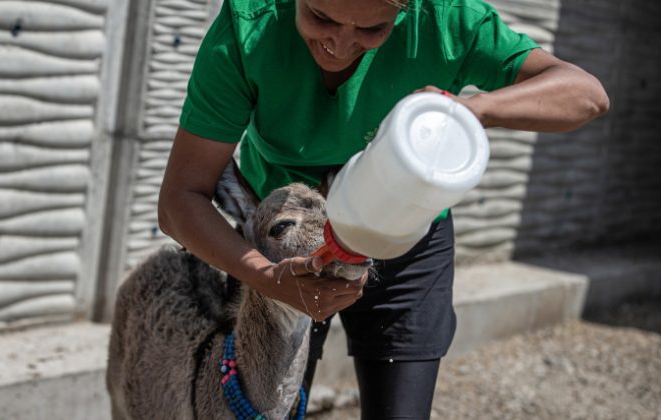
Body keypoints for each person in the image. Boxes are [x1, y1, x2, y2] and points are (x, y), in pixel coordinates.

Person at [157, 0, 609, 418]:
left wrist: (474, 110)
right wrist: (266, 277)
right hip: (286, 243)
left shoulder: (446, 20)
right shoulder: (250, 26)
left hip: (405, 236)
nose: (340, 44)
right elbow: (182, 199)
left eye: (373, 29)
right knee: (263, 405)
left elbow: (586, 95)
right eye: (321, 17)